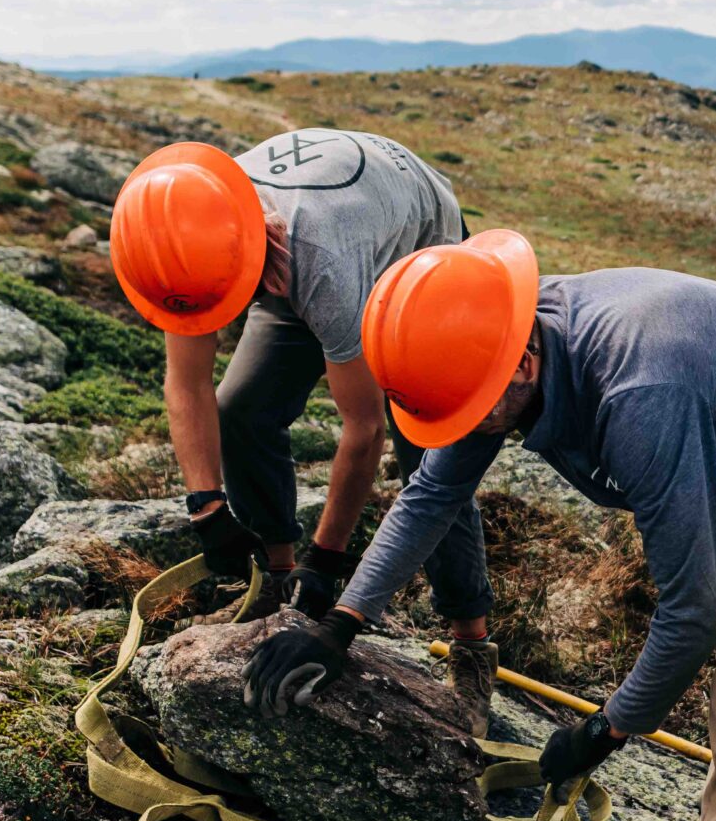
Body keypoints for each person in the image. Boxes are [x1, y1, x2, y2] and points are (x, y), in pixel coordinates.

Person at [244, 230, 716, 821]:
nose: (469, 428)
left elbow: (694, 617)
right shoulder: (490, 335)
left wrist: (607, 728)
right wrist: (339, 623)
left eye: (474, 412)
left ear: (525, 365)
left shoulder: (638, 394)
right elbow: (431, 495)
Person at [107, 131, 493, 696]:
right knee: (243, 409)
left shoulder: (324, 268)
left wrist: (328, 561)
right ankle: (276, 581)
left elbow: (364, 429)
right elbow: (187, 383)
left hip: (416, 255)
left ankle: (471, 644)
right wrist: (207, 509)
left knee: (428, 452)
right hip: (294, 252)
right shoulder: (184, 228)